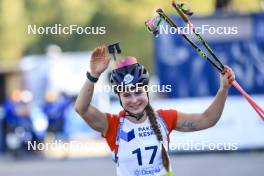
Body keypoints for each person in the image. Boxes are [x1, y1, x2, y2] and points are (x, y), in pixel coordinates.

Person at [75, 46, 235, 176]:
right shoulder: (112, 124)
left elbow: (207, 119)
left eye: (138, 92)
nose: (134, 100)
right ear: (119, 97)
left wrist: (223, 89)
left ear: (147, 91)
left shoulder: (165, 118)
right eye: (127, 95)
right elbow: (81, 108)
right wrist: (93, 76)